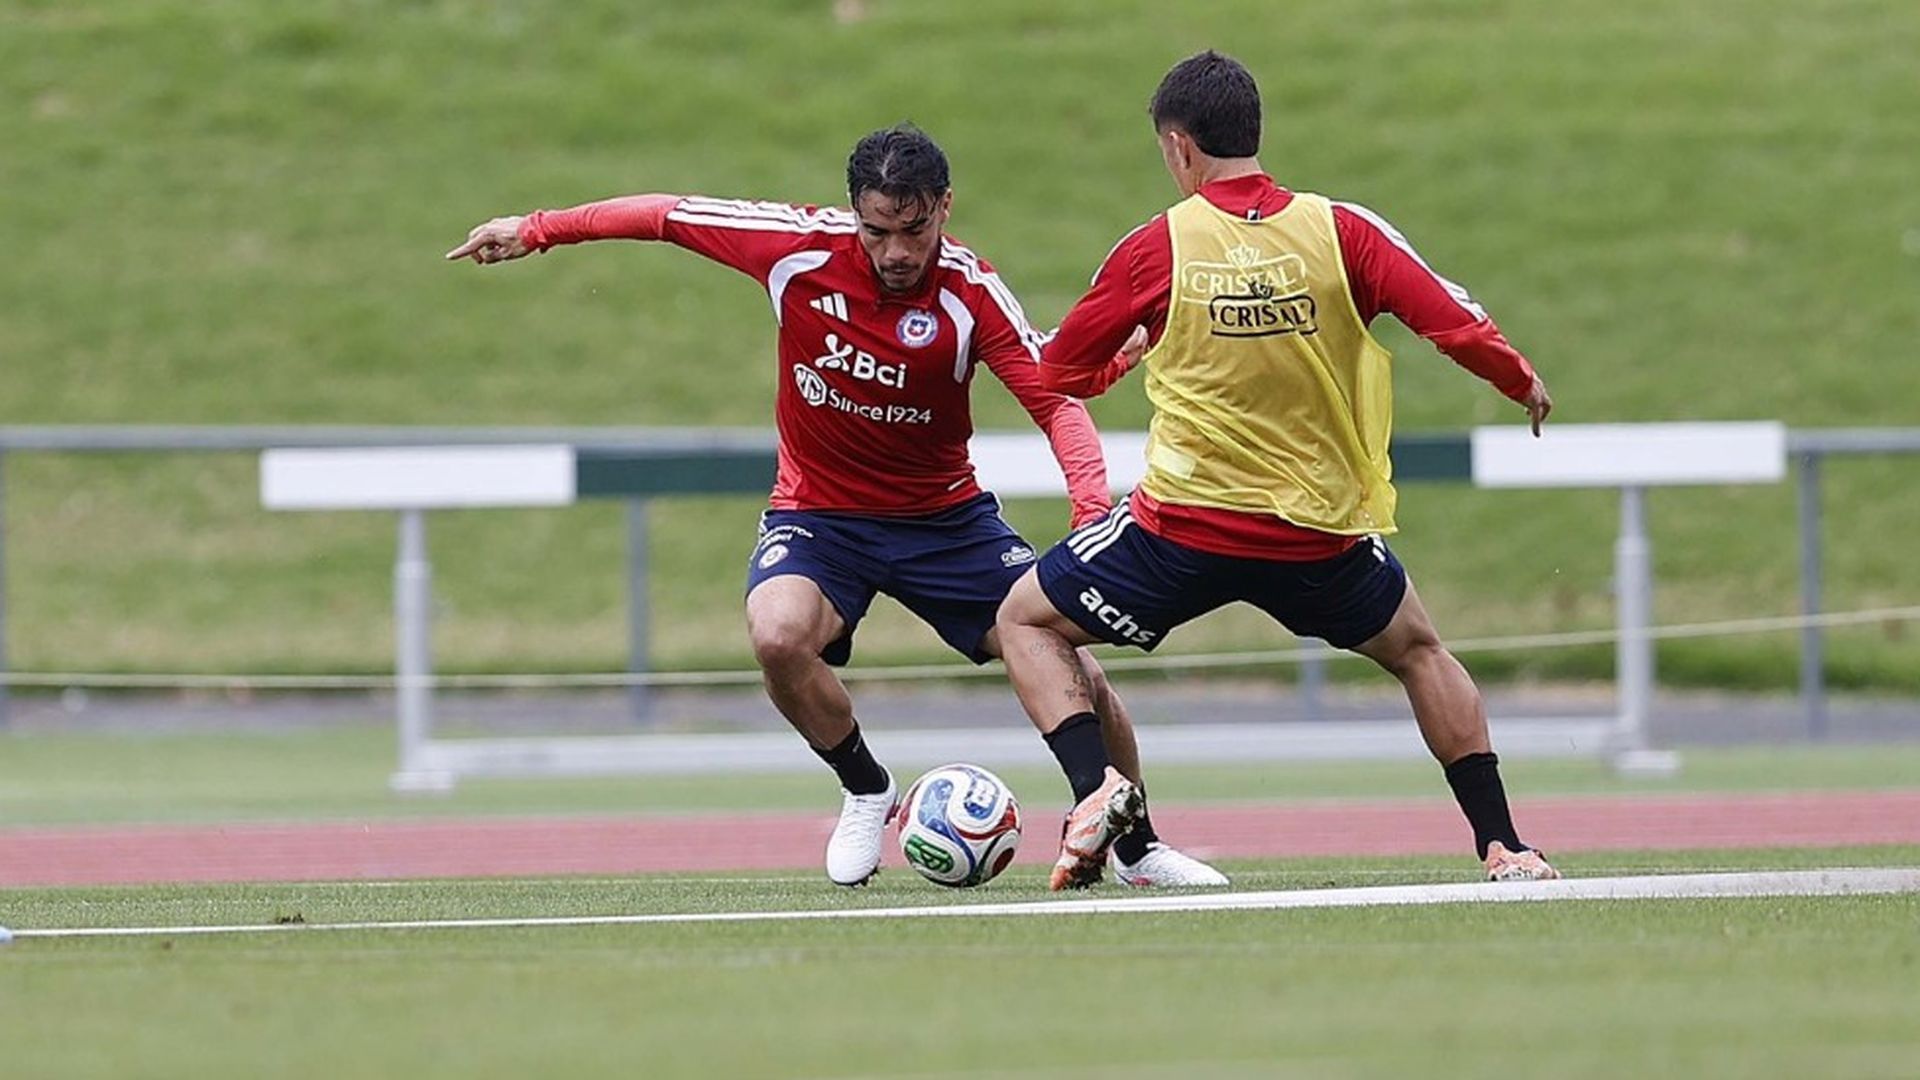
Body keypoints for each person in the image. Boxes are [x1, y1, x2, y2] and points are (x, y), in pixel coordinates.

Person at [448, 124, 1226, 889]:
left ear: (944, 208)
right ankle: (864, 788)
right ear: (854, 211)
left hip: (943, 521)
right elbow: (666, 215)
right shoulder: (795, 252)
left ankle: (1138, 848)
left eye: (913, 230)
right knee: (777, 635)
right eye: (877, 229)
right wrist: (538, 230)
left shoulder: (968, 291)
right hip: (818, 517)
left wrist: (1089, 512)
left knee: (1071, 665)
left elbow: (1056, 403)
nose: (895, 251)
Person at [994, 51, 1563, 888]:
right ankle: (1505, 846)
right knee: (1420, 653)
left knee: (1026, 621)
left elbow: (1057, 374)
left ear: (1180, 147)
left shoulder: (1158, 246)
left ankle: (1096, 788)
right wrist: (1519, 378)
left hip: (1181, 531)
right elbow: (1452, 317)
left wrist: (1131, 354)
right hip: (1319, 539)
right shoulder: (1342, 231)